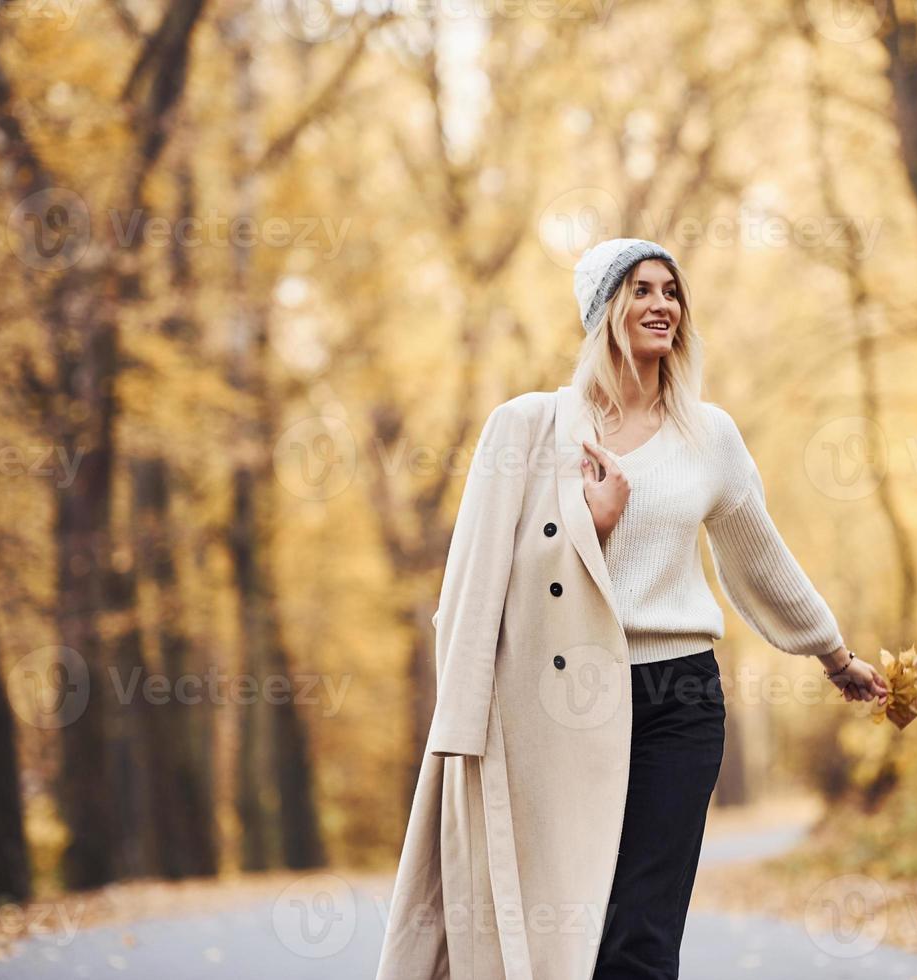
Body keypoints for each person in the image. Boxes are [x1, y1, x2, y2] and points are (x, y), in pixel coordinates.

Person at [372, 237, 887, 980]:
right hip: (562, 700)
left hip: (679, 698)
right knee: (567, 932)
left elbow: (759, 560)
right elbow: (476, 588)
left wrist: (833, 656)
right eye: (640, 290)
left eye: (671, 291)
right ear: (603, 312)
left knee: (639, 936)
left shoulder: (708, 435)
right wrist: (592, 525)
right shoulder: (531, 430)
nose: (661, 306)